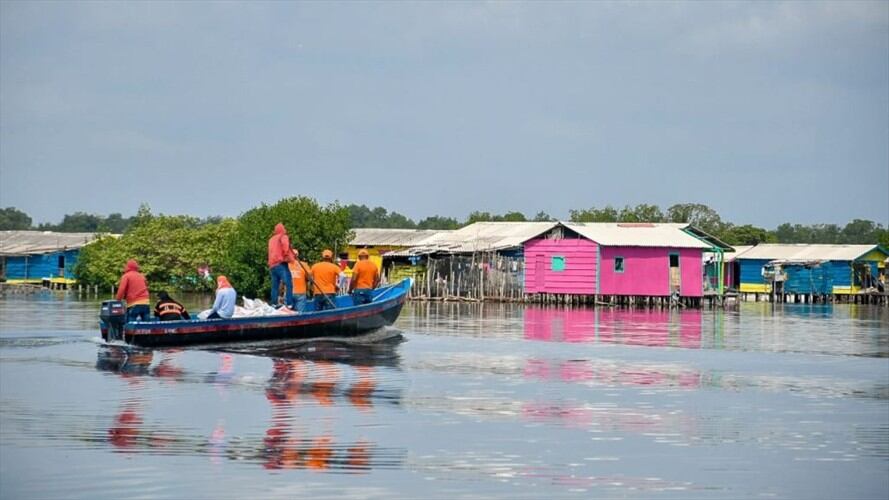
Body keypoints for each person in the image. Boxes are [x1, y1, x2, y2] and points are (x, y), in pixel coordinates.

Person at [268, 223, 296, 309]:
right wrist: (288, 256)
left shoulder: (271, 239)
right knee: (289, 283)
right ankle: (289, 304)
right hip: (281, 263)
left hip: (272, 265)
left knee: (275, 285)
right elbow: (285, 247)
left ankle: (274, 303)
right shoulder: (283, 236)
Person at [287, 247, 312, 312]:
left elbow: (281, 281)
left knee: (288, 314)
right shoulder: (304, 265)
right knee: (300, 314)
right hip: (300, 293)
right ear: (297, 255)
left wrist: (280, 293)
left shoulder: (286, 265)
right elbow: (310, 278)